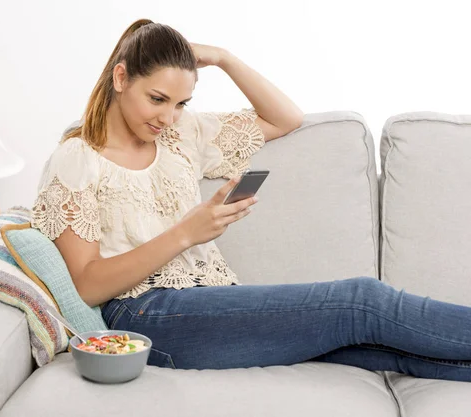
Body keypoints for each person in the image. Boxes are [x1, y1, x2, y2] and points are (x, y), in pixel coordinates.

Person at [31, 18, 471, 381]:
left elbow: (286, 118)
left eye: (181, 102)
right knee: (363, 301)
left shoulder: (183, 134)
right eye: (157, 99)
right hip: (146, 316)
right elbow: (87, 283)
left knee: (374, 349)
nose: (167, 117)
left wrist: (223, 57)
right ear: (121, 76)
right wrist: (187, 233)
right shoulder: (76, 159)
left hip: (209, 300)